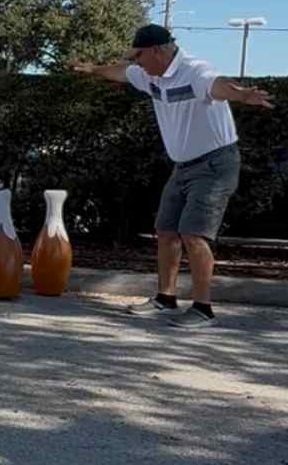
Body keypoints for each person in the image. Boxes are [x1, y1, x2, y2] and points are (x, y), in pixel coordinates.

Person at [72, 23, 273, 327]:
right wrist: (91, 69)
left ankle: (203, 309)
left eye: (140, 55)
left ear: (158, 50)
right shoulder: (147, 74)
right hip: (183, 166)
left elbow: (217, 84)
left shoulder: (194, 71)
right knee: (166, 231)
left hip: (215, 165)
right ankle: (165, 299)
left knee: (194, 235)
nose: (136, 62)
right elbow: (120, 71)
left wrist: (242, 95)